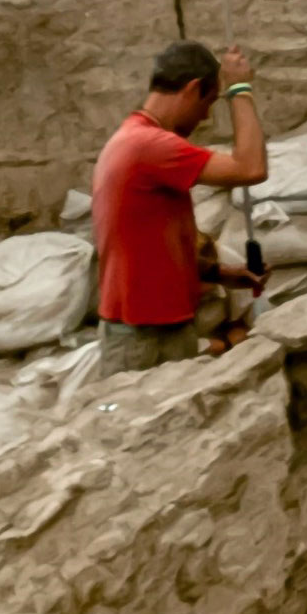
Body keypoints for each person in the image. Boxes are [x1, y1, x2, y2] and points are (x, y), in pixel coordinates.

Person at [88, 41, 273, 373]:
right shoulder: (150, 145)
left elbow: (150, 242)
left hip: (158, 329)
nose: (204, 116)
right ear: (192, 90)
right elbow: (251, 168)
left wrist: (220, 274)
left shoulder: (137, 141)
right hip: (143, 338)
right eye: (209, 102)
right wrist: (240, 88)